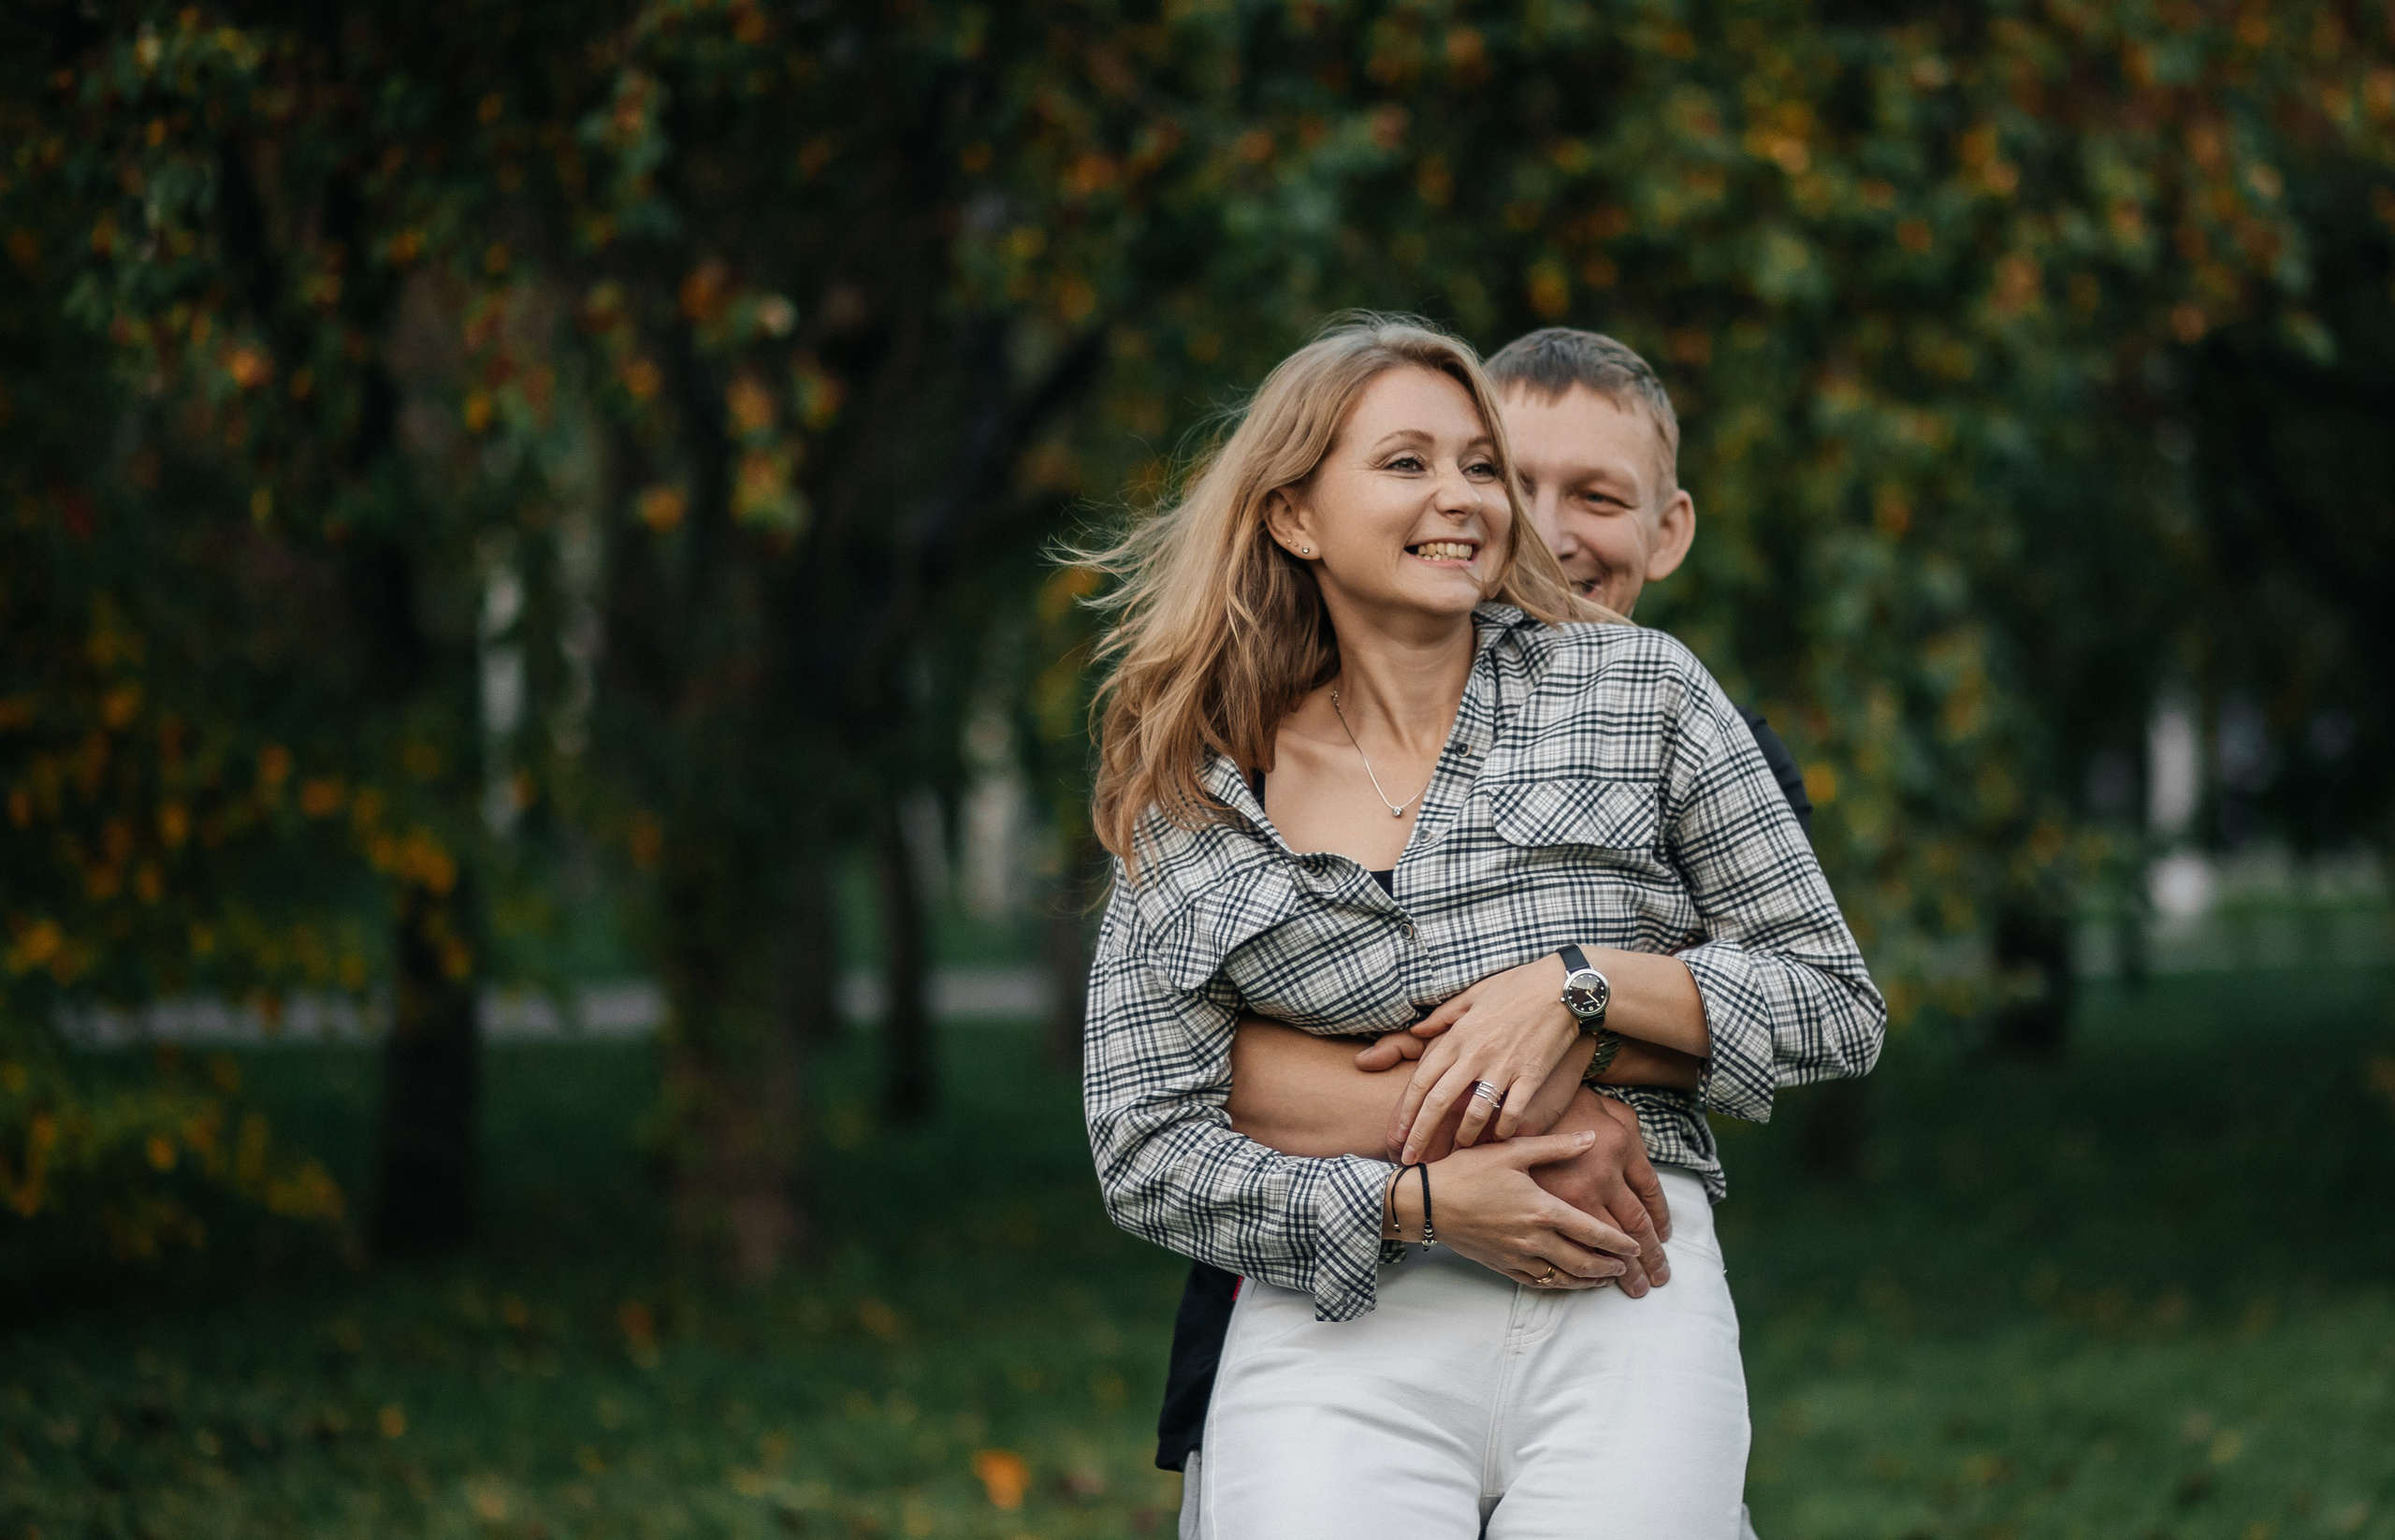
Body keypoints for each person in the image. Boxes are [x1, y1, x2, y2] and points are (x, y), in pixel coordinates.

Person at [1081, 314, 1883, 1538]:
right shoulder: (1199, 779)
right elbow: (1143, 1138)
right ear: (1294, 515)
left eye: (1476, 465)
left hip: (1624, 1278)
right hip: (1338, 1312)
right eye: (1407, 463)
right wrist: (1424, 1200)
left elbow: (1835, 1003)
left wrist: (1576, 991)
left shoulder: (1641, 689)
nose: (1464, 496)